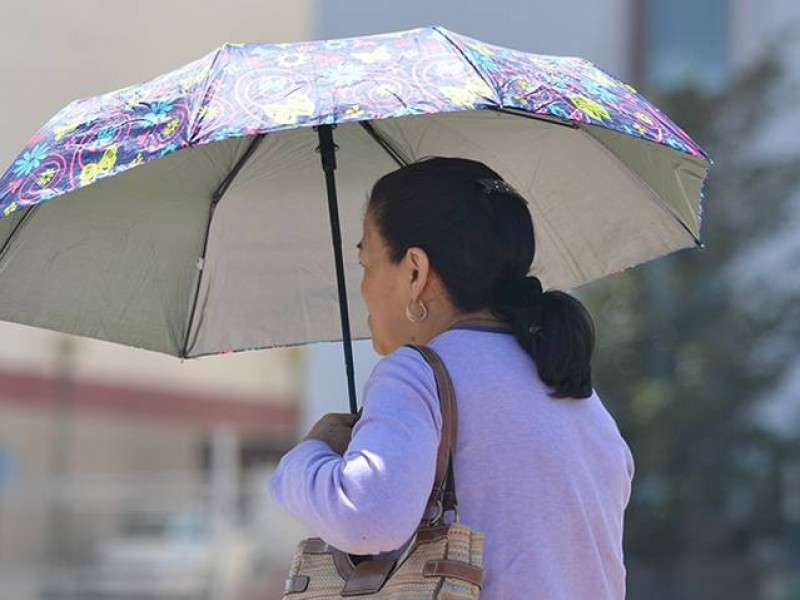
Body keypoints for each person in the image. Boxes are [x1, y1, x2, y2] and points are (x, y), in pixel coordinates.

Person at [268, 156, 634, 599]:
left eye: (367, 264)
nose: (362, 288)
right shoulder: (570, 384)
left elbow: (366, 517)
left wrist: (306, 457)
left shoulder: (416, 373)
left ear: (415, 272)